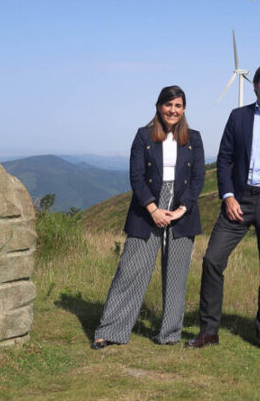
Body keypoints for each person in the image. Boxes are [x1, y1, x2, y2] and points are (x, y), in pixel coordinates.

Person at [186, 62, 260, 351]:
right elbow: (225, 158)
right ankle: (209, 331)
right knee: (212, 260)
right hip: (238, 201)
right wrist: (227, 195)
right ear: (254, 86)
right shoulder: (238, 116)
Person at [92, 85, 205, 349]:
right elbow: (136, 176)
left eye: (178, 106)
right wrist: (153, 209)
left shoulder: (195, 138)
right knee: (130, 270)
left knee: (176, 274)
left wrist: (181, 209)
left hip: (182, 209)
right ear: (158, 106)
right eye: (168, 105)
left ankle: (169, 334)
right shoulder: (143, 136)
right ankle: (109, 330)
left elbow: (198, 179)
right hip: (147, 208)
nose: (173, 110)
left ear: (184, 109)